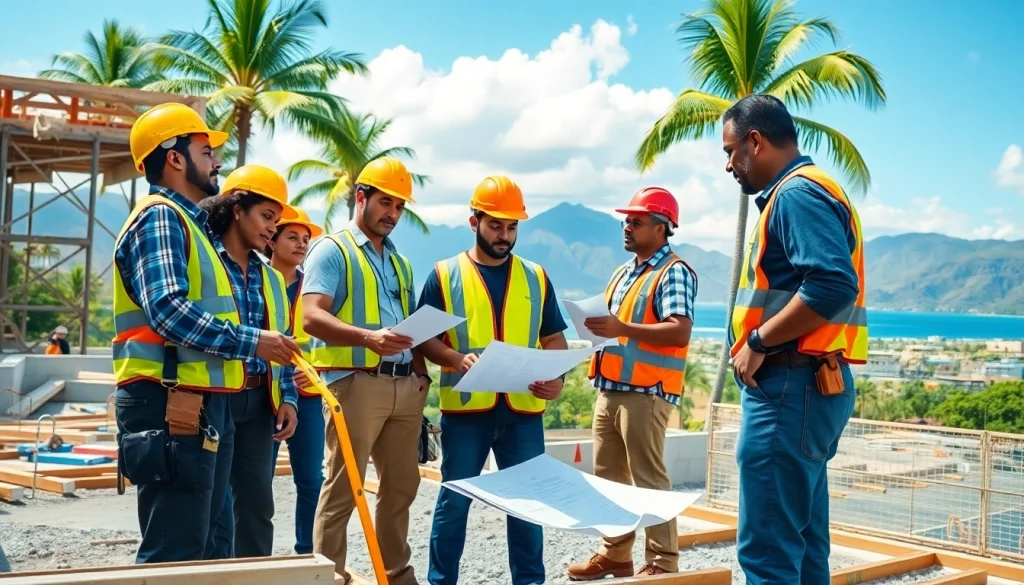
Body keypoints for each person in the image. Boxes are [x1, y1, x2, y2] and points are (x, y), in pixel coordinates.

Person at [112, 103, 299, 563]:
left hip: (199, 400)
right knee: (176, 551)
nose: (217, 162)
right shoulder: (160, 217)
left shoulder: (189, 225)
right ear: (175, 158)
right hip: (171, 400)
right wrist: (253, 340)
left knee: (210, 544)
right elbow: (169, 311)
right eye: (206, 150)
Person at [721, 94, 866, 585]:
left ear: (755, 142)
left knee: (768, 552)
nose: (728, 165)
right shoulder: (816, 190)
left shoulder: (795, 195)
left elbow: (832, 285)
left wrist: (758, 341)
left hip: (788, 386)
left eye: (730, 151)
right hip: (810, 386)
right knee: (802, 549)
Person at [418, 176, 569, 585]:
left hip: (523, 412)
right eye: (495, 226)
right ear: (474, 222)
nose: (505, 236)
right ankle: (441, 581)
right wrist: (453, 358)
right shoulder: (444, 275)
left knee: (528, 505)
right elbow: (425, 338)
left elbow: (554, 339)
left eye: (512, 227)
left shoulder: (536, 277)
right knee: (456, 502)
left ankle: (529, 581)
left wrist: (557, 377)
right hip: (468, 412)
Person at [301, 157, 427, 585]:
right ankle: (329, 577)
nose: (392, 213)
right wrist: (367, 338)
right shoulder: (331, 250)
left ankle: (396, 575)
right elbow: (310, 316)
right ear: (361, 197)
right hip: (353, 385)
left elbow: (409, 327)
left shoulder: (400, 262)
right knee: (342, 490)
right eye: (385, 202)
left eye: (399, 206)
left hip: (404, 386)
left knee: (401, 489)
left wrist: (421, 375)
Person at [567, 187, 697, 580]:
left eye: (636, 221)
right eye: (626, 220)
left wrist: (621, 328)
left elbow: (679, 331)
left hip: (647, 393)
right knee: (610, 477)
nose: (626, 226)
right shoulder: (623, 273)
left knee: (649, 479)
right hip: (610, 389)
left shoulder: (673, 272)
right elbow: (613, 328)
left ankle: (662, 562)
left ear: (662, 228)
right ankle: (615, 554)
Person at [197, 164, 303, 559]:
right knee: (212, 507)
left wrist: (288, 397)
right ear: (237, 209)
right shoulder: (205, 262)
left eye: (276, 220)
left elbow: (284, 347)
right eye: (266, 217)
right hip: (216, 396)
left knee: (258, 505)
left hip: (261, 404)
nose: (272, 229)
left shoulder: (273, 278)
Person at [265, 206, 326, 555]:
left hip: (307, 395)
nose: (302, 244)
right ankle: (256, 555)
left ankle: (307, 553)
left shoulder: (313, 291)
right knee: (257, 482)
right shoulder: (255, 281)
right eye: (293, 237)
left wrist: (313, 369)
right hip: (264, 395)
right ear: (271, 239)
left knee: (311, 480)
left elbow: (323, 343)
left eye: (306, 239)